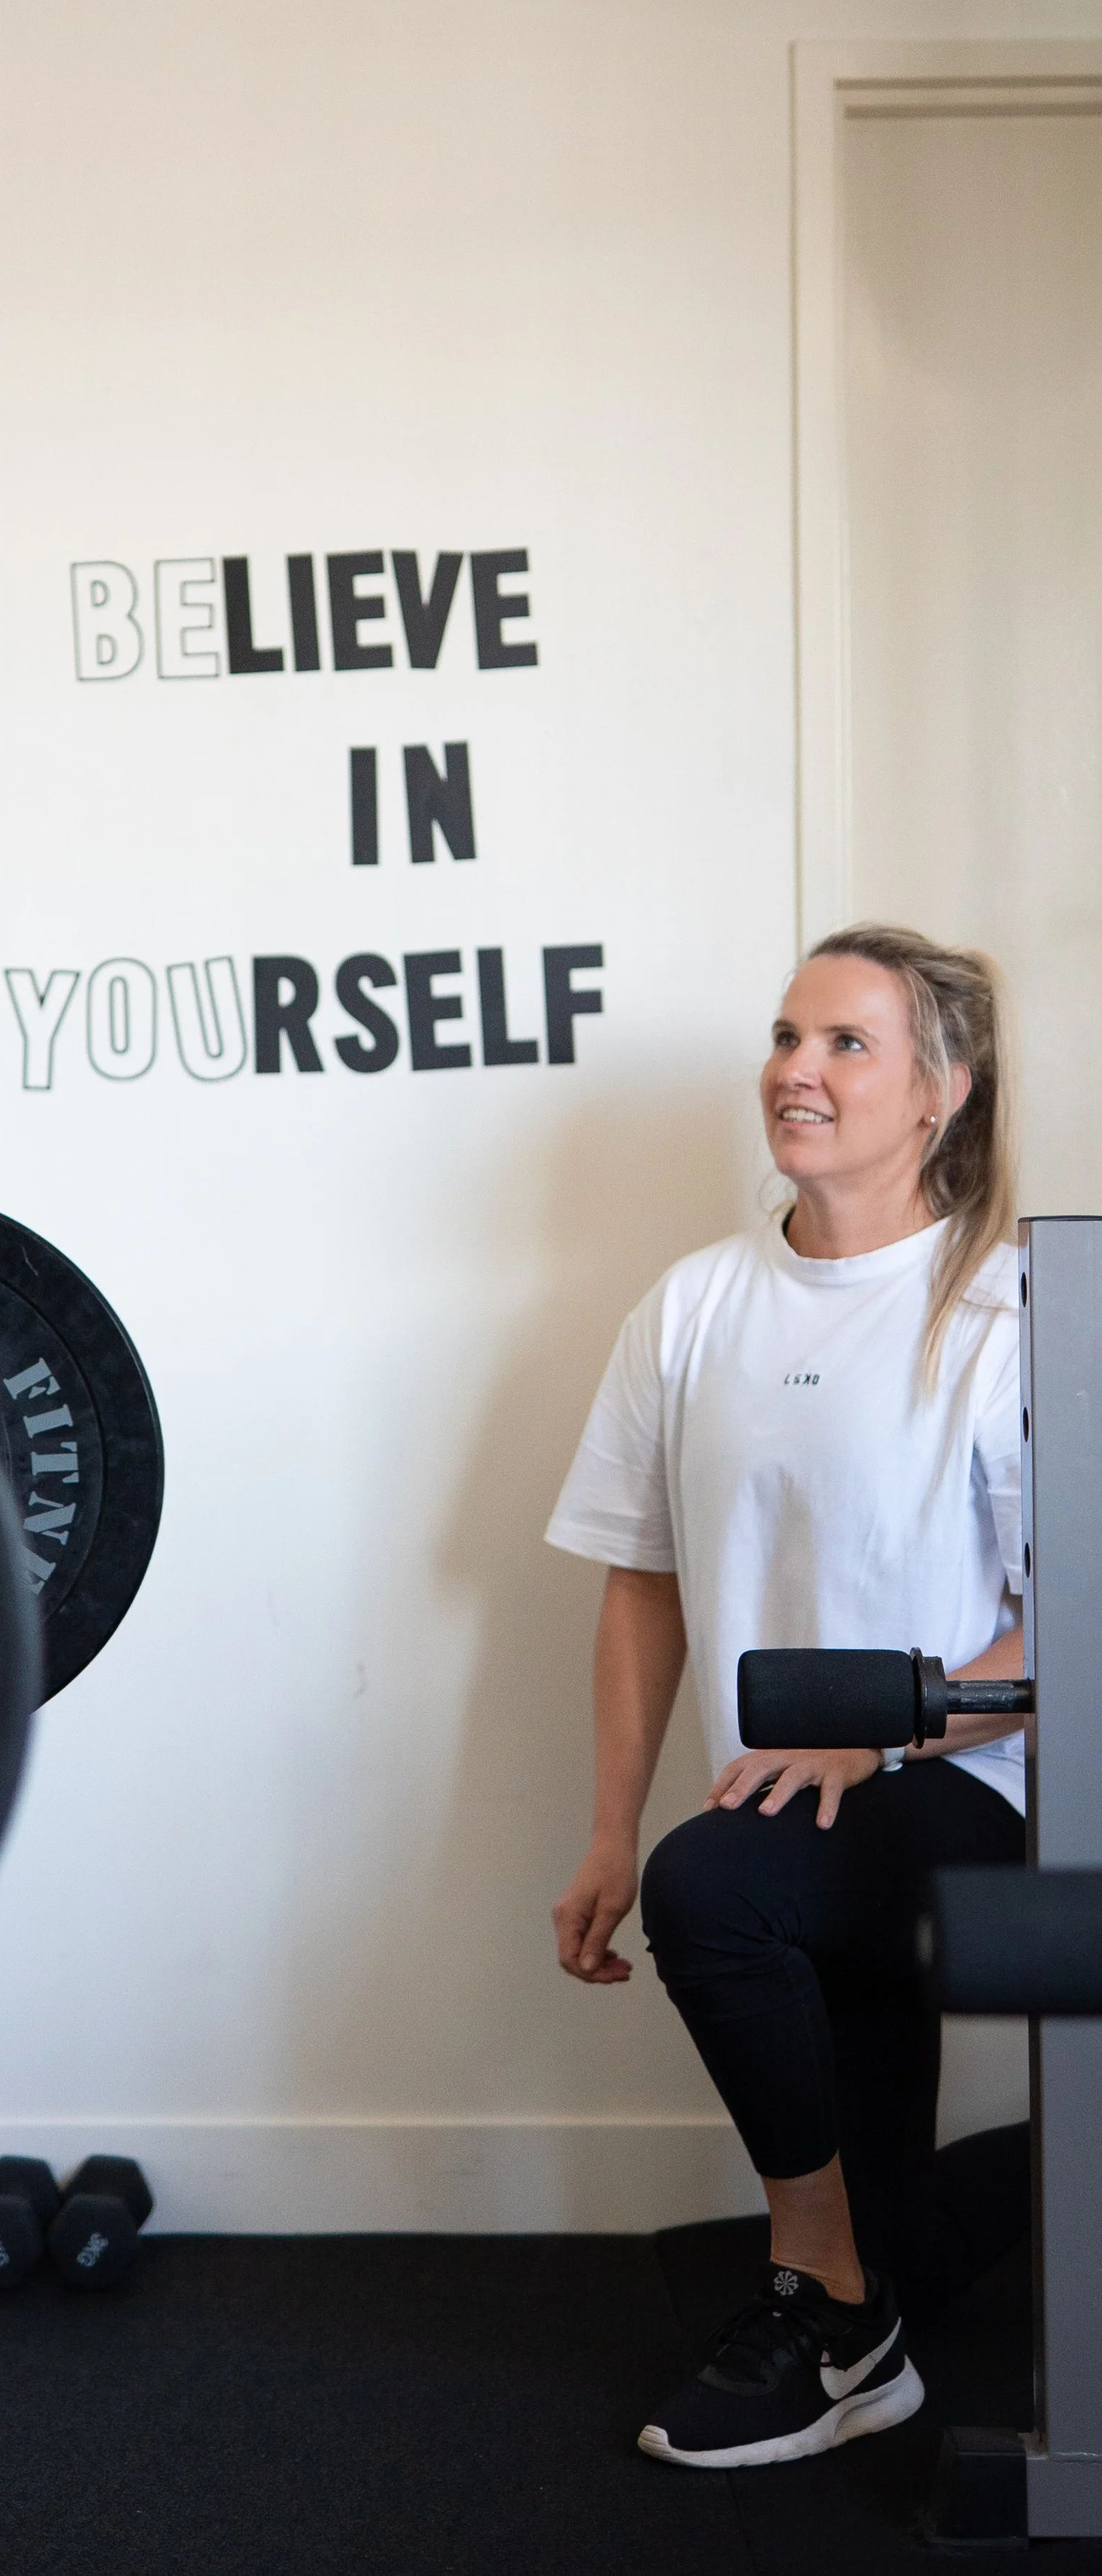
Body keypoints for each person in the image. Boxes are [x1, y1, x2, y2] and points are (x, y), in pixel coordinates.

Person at [546, 925, 1027, 2471]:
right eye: (782, 1036)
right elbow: (640, 1577)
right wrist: (609, 1830)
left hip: (968, 1787)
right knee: (899, 2204)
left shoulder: (1012, 1311)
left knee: (720, 1889)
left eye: (843, 1045)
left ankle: (827, 2316)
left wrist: (877, 1729)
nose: (792, 1071)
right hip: (781, 1799)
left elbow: (1065, 1627)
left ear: (937, 1091)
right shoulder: (691, 1306)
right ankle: (879, 2258)